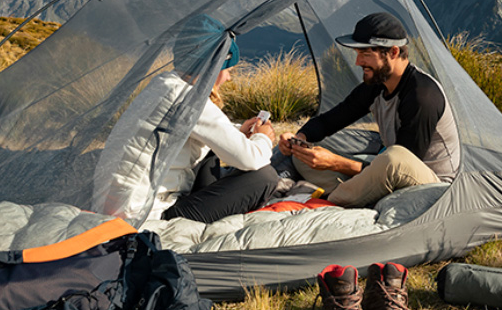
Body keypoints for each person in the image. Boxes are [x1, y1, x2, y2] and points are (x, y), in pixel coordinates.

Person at [93, 15, 278, 225]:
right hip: (145, 217)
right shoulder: (189, 100)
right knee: (265, 178)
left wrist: (237, 132)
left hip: (119, 204)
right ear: (212, 66)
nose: (228, 78)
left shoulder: (165, 85)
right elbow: (252, 159)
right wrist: (263, 139)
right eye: (226, 69)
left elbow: (194, 129)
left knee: (211, 153)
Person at [278, 12, 459, 208]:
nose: (358, 62)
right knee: (303, 156)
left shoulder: (422, 96)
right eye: (357, 54)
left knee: (393, 157)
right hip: (387, 173)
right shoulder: (377, 84)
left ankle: (332, 202)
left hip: (432, 186)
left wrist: (336, 163)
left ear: (394, 52)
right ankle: (352, 194)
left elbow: (402, 165)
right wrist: (299, 139)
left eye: (365, 54)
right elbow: (329, 121)